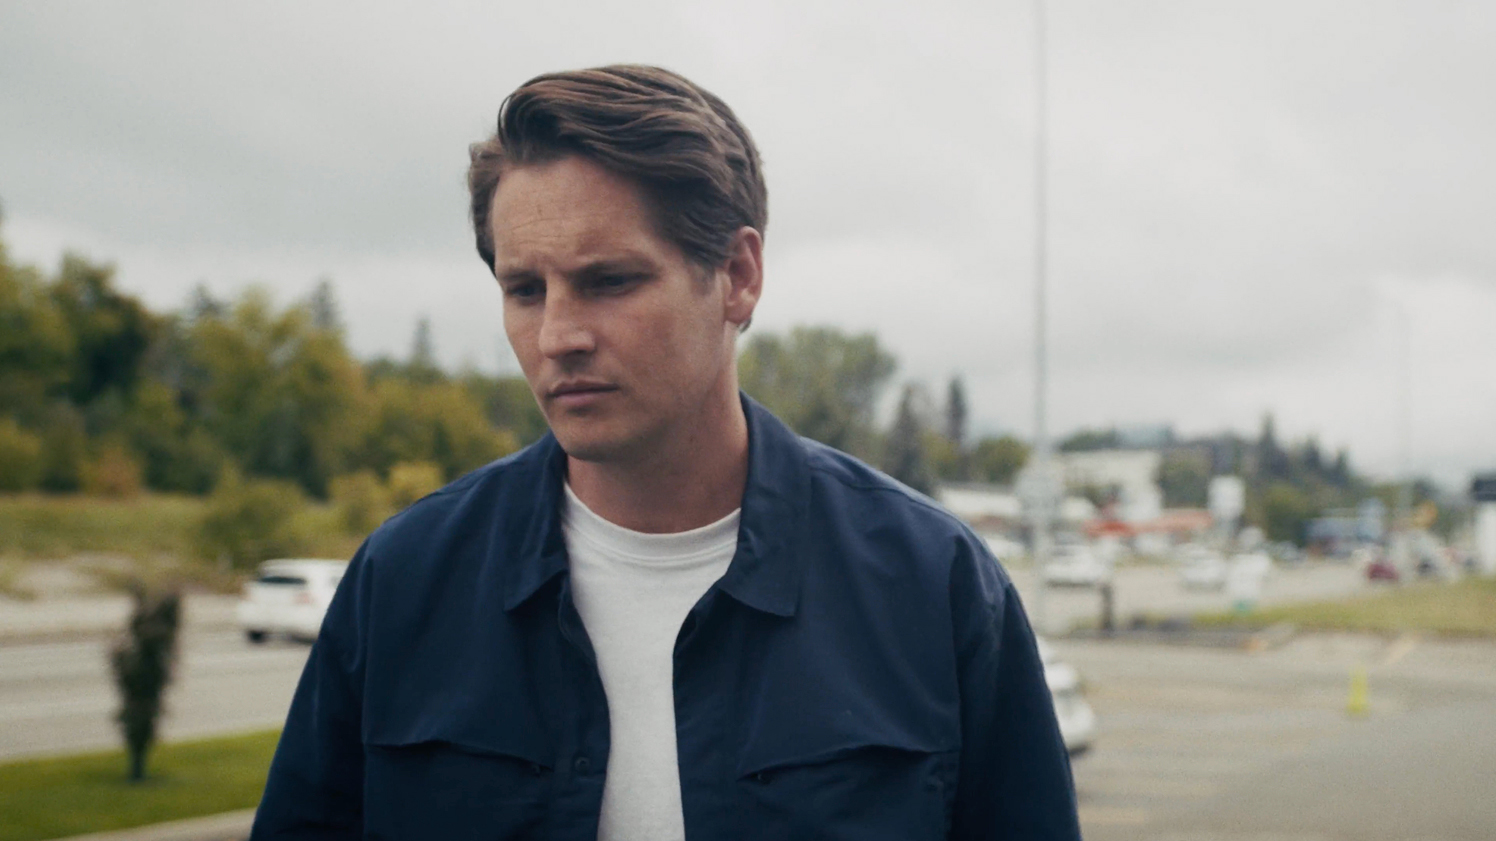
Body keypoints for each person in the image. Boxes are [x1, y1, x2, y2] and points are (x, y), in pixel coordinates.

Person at [251, 64, 1081, 841]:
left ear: (737, 273)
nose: (558, 336)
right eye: (525, 289)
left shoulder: (932, 586)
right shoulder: (404, 580)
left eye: (610, 280)